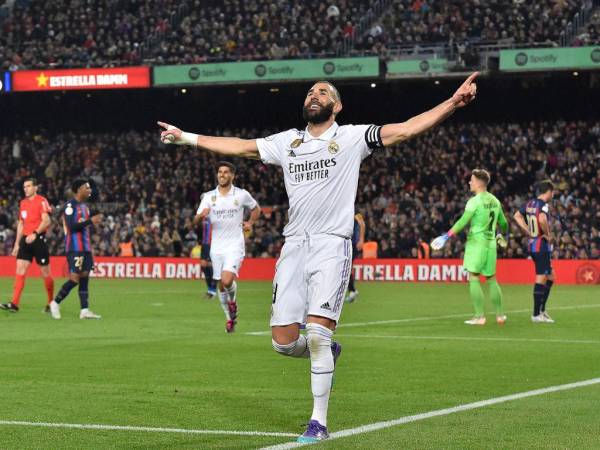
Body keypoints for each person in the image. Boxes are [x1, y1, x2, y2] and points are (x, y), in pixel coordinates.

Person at [158, 72, 478, 442]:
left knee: (317, 335)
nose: (314, 94)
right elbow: (241, 146)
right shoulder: (287, 142)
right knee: (282, 341)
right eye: (311, 91)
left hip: (331, 244)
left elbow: (405, 129)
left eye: (323, 92)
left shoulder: (352, 137)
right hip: (293, 245)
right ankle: (327, 350)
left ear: (336, 106)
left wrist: (453, 103)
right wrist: (187, 138)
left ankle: (318, 423)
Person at [431, 169, 509, 326]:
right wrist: (503, 235)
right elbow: (504, 223)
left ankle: (479, 317)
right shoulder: (495, 201)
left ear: (479, 183)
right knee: (492, 279)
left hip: (476, 243)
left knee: (473, 278)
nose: (469, 182)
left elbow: (462, 221)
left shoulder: (474, 201)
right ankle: (500, 315)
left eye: (472, 180)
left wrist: (446, 236)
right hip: (491, 244)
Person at [194, 162, 260, 333]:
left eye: (225, 172)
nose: (222, 175)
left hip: (234, 245)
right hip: (216, 248)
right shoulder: (209, 197)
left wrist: (250, 222)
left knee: (227, 280)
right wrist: (201, 216)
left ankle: (233, 302)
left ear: (232, 175)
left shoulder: (241, 194)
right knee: (221, 285)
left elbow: (256, 209)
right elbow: (194, 221)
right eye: (219, 172)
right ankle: (229, 319)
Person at [49, 179, 103, 320]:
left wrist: (91, 222)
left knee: (85, 276)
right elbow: (72, 226)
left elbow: (83, 226)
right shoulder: (70, 206)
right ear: (79, 189)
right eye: (87, 187)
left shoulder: (85, 207)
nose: (90, 190)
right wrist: (91, 221)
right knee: (74, 279)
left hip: (85, 247)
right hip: (74, 247)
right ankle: (55, 303)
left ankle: (84, 310)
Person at [0, 178, 54, 313]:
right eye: (24, 187)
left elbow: (46, 220)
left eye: (29, 186)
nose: (26, 189)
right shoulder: (23, 203)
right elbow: (21, 224)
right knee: (20, 269)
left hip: (38, 239)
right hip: (25, 240)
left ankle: (51, 302)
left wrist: (35, 234)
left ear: (35, 188)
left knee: (45, 272)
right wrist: (17, 244)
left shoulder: (42, 201)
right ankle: (14, 304)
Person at [513, 179, 556, 323]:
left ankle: (542, 310)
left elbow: (516, 216)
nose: (553, 195)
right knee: (541, 277)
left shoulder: (530, 203)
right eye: (553, 192)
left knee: (550, 277)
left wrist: (527, 229)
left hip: (532, 243)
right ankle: (536, 314)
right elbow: (543, 219)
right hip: (540, 245)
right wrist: (548, 234)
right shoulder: (544, 205)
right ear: (548, 192)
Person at [345, 212, 365, 303]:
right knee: (345, 268)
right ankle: (352, 291)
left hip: (352, 244)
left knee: (346, 268)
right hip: (345, 243)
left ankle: (352, 291)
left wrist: (361, 240)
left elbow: (362, 224)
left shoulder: (355, 212)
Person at [199, 216, 217, 299]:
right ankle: (209, 290)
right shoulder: (203, 217)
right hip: (204, 244)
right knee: (203, 266)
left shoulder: (214, 216)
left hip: (211, 244)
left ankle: (213, 291)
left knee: (210, 266)